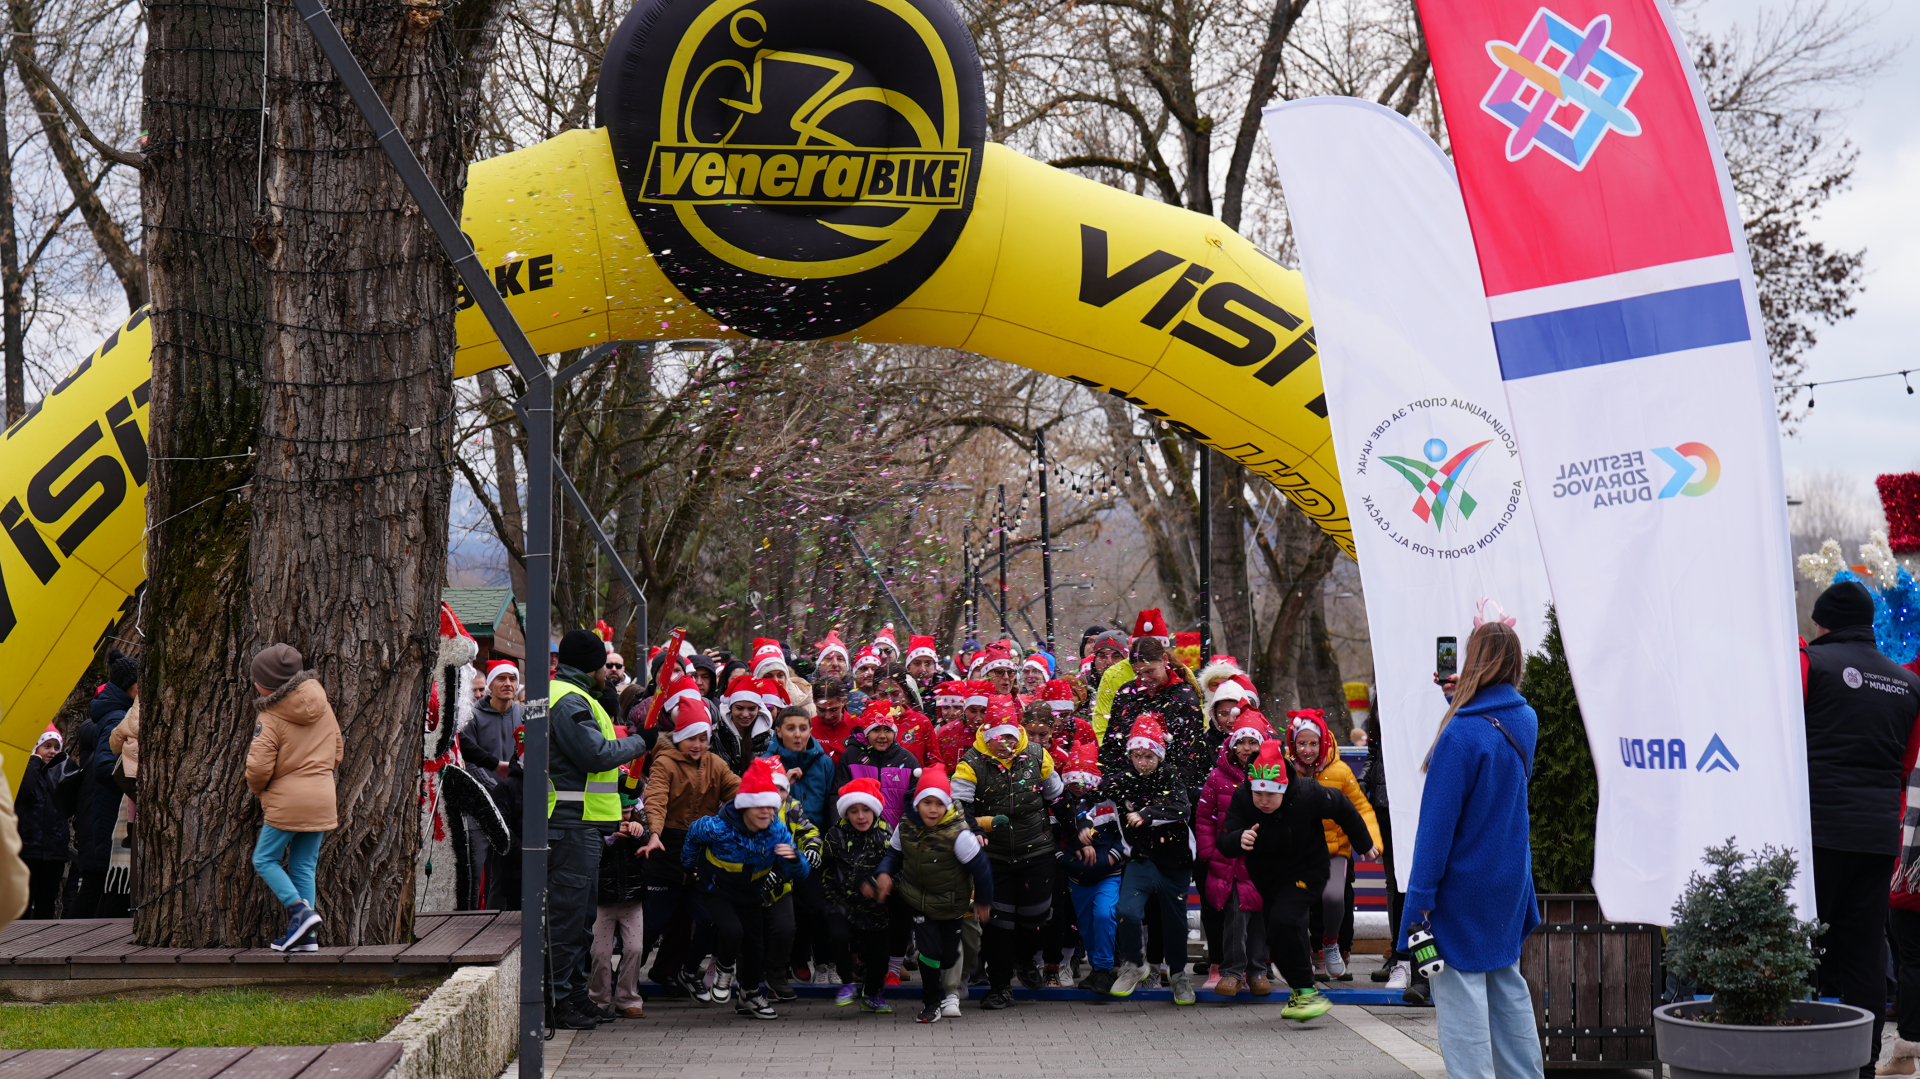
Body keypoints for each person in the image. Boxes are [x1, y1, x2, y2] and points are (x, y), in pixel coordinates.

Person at [1401, 620, 1544, 1079]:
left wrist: (1417, 905)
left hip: (1462, 895)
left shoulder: (1459, 736)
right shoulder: (1525, 719)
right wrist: (1458, 699)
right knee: (1508, 994)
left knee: (1463, 1018)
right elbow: (1495, 755)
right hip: (1510, 884)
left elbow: (1434, 834)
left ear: (1472, 663)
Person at [1801, 580, 1920, 1076]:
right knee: (1866, 953)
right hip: (1876, 838)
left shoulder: (1811, 663)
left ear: (1824, 621)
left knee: (1800, 946)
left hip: (1815, 832)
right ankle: (1862, 1064)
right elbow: (1906, 764)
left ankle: (1798, 1054)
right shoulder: (1907, 683)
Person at [1216, 738, 1375, 1022]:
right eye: (1259, 795)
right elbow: (1224, 839)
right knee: (1276, 937)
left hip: (1307, 869)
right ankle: (1299, 991)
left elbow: (1343, 808)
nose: (1263, 802)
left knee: (1285, 921)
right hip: (1267, 876)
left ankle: (1307, 991)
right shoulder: (1243, 796)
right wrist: (1238, 838)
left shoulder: (1307, 792)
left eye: (1271, 795)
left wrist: (1364, 843)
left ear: (1284, 788)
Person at [546, 629, 652, 1029]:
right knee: (568, 921)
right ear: (591, 666)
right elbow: (594, 755)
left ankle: (575, 995)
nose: (610, 673)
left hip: (584, 825)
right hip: (570, 825)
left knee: (581, 920)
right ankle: (559, 1000)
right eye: (604, 665)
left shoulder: (576, 696)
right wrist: (643, 742)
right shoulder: (568, 699)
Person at [953, 695, 1064, 1008]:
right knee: (998, 924)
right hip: (996, 854)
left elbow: (1057, 796)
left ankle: (1026, 959)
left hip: (1036, 849)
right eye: (998, 739)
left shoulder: (1037, 754)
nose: (1006, 745)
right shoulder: (971, 762)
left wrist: (1078, 827)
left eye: (1010, 737)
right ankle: (1000, 986)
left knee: (1037, 914)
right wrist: (975, 829)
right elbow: (959, 806)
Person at [682, 756, 806, 1020]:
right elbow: (693, 833)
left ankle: (750, 994)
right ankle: (724, 972)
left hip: (750, 891)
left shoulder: (777, 831)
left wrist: (794, 858)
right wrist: (689, 866)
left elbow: (799, 872)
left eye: (770, 807)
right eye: (758, 806)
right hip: (717, 888)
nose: (765, 813)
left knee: (755, 945)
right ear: (744, 806)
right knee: (731, 931)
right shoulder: (718, 826)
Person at [639, 691, 740, 1000]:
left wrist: (768, 790)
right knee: (652, 925)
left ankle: (680, 970)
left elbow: (738, 789)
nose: (697, 745)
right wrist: (654, 832)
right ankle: (625, 979)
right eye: (690, 738)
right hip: (664, 848)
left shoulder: (715, 763)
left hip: (700, 852)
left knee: (706, 919)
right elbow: (655, 798)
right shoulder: (664, 762)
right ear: (679, 737)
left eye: (703, 738)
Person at [874, 764, 995, 1024]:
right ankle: (932, 1002)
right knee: (928, 952)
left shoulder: (958, 834)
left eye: (939, 803)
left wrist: (983, 901)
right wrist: (884, 873)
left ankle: (947, 987)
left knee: (948, 954)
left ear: (947, 805)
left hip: (952, 902)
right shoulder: (905, 826)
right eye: (926, 802)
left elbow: (982, 869)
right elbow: (893, 855)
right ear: (917, 803)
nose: (932, 809)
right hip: (918, 899)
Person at [245, 643, 343, 952]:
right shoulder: (322, 703)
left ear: (268, 684)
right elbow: (337, 750)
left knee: (264, 858)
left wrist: (259, 788)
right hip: (323, 795)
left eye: (256, 680)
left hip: (288, 801)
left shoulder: (270, 716)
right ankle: (307, 938)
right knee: (303, 864)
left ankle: (300, 912)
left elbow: (258, 769)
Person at [1104, 713, 1197, 1004]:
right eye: (1137, 755)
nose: (1142, 762)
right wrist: (1079, 821)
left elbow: (1182, 809)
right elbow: (1090, 795)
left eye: (1148, 756)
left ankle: (1180, 975)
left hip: (1175, 859)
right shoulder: (1124, 779)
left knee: (1175, 922)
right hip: (1141, 858)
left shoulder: (1170, 775)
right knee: (1127, 911)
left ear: (1159, 755)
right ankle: (1135, 965)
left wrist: (1148, 814)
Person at [1288, 708, 1380, 981]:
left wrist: (1369, 841)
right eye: (1301, 743)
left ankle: (1335, 945)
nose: (1307, 749)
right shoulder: (1287, 769)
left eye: (1313, 743)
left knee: (1334, 897)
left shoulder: (1339, 771)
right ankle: (1310, 955)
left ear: (1323, 742)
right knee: (1299, 904)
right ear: (1293, 743)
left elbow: (1360, 807)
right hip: (1298, 852)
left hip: (1335, 850)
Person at [1196, 708, 1272, 998]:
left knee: (1260, 920)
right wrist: (1209, 853)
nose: (1246, 748)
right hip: (1229, 860)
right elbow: (1204, 817)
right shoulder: (1217, 778)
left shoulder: (1271, 775)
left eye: (1253, 742)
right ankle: (1231, 971)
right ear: (1231, 745)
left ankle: (1258, 970)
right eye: (1241, 742)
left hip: (1261, 862)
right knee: (1235, 918)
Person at [762, 707, 833, 992]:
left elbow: (829, 803)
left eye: (803, 728)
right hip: (775, 847)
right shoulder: (766, 761)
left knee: (813, 906)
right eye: (790, 728)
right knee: (779, 910)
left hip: (811, 845)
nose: (798, 734)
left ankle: (800, 955)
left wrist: (827, 843)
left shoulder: (823, 762)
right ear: (778, 731)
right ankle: (776, 964)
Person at [1102, 635, 1211, 800]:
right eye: (1138, 674)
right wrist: (1109, 781)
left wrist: (1158, 789)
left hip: (1169, 791)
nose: (1145, 679)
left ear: (1164, 660)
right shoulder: (1126, 694)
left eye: (1150, 671)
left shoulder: (1184, 698)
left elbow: (1189, 757)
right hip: (1126, 788)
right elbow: (1111, 744)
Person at [823, 778, 895, 1012]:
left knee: (879, 954)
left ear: (874, 810)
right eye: (854, 811)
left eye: (866, 810)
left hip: (874, 907)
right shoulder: (835, 835)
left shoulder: (886, 835)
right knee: (837, 938)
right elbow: (825, 867)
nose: (861, 816)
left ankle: (872, 993)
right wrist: (830, 896)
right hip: (841, 901)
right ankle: (846, 982)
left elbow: (896, 866)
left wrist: (877, 885)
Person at [1060, 743, 1124, 994]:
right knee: (1085, 924)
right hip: (1076, 877)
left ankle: (1104, 969)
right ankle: (1097, 968)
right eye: (1073, 780)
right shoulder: (1062, 805)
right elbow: (1052, 836)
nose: (1078, 786)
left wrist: (1112, 857)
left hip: (1107, 874)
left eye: (1084, 780)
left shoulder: (1110, 802)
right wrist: (1062, 860)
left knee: (1104, 915)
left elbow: (1125, 835)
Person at [461, 660, 525, 910]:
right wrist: (495, 790)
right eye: (501, 679)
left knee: (507, 865)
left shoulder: (523, 714)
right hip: (481, 803)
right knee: (477, 866)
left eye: (512, 679)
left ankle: (500, 918)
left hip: (516, 803)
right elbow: (470, 761)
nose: (508, 684)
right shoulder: (471, 717)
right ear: (490, 685)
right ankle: (470, 919)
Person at [78, 652, 137, 917]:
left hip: (109, 813)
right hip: (113, 815)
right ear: (132, 686)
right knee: (111, 890)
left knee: (105, 888)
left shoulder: (120, 712)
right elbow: (104, 767)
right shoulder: (117, 717)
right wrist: (134, 780)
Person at [590, 807, 653, 1019]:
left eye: (627, 813)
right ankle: (599, 998)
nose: (623, 817)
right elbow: (590, 855)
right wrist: (607, 838)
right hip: (602, 899)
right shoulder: (595, 830)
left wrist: (639, 834)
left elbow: (646, 853)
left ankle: (628, 998)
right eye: (619, 812)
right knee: (600, 952)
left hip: (632, 899)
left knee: (635, 949)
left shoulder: (638, 828)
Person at [833, 701, 921, 826]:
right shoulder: (852, 756)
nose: (882, 736)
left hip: (897, 834)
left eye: (887, 730)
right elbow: (838, 795)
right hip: (859, 834)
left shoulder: (907, 760)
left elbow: (916, 800)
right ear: (867, 732)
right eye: (876, 730)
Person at [17, 724, 70, 919]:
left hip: (53, 850)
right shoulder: (26, 771)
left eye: (56, 747)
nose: (53, 751)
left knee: (46, 904)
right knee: (22, 904)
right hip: (27, 848)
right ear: (36, 747)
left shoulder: (61, 772)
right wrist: (33, 761)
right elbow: (25, 792)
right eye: (47, 746)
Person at [713, 674, 774, 775]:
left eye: (751, 709)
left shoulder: (770, 738)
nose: (745, 715)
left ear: (759, 709)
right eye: (739, 708)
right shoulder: (715, 735)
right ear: (730, 707)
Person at [810, 677, 861, 760]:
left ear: (844, 701)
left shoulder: (858, 726)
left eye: (834, 709)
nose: (828, 716)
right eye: (821, 710)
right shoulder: (808, 727)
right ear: (814, 701)